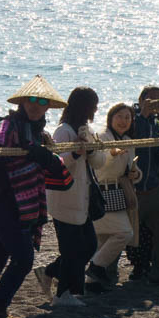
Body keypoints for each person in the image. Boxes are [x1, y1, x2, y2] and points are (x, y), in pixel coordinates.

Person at [0, 77, 72, 318]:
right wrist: (20, 158)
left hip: (22, 205)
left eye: (42, 101)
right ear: (23, 102)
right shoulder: (5, 127)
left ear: (48, 106)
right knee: (24, 260)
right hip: (1, 203)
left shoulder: (40, 135)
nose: (36, 105)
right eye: (31, 100)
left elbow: (56, 167)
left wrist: (43, 157)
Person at [39, 86, 102, 305]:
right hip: (64, 197)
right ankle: (62, 294)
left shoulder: (88, 129)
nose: (95, 109)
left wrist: (91, 149)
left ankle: (50, 272)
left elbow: (99, 162)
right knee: (72, 249)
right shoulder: (63, 130)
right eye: (93, 104)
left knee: (89, 246)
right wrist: (76, 152)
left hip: (82, 197)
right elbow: (56, 162)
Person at [126, 86, 159, 283]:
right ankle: (130, 269)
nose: (156, 103)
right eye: (152, 99)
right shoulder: (131, 118)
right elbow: (130, 140)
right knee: (128, 230)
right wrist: (143, 114)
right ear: (142, 99)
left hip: (153, 186)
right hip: (132, 186)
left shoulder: (157, 123)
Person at [86, 102, 143, 288]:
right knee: (124, 233)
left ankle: (91, 282)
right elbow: (99, 168)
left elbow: (131, 169)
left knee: (103, 240)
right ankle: (95, 268)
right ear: (110, 118)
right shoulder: (102, 136)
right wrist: (111, 153)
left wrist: (136, 174)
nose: (123, 121)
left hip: (118, 193)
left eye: (128, 117)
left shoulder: (127, 139)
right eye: (119, 116)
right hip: (101, 192)